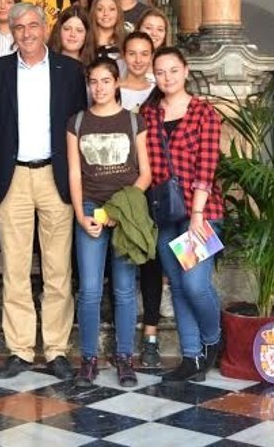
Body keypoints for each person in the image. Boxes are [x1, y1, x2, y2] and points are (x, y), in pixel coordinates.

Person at [0, 3, 88, 380]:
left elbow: (80, 129)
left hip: (55, 177)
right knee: (14, 268)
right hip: (11, 177)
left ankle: (57, 349)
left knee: (58, 269)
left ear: (45, 28)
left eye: (33, 25)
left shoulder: (70, 71)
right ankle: (20, 349)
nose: (27, 33)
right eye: (19, 27)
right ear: (11, 32)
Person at [68, 57, 152, 387]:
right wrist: (81, 214)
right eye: (94, 81)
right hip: (90, 207)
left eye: (106, 80)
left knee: (124, 289)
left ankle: (124, 357)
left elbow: (145, 174)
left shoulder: (133, 121)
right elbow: (75, 173)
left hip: (124, 211)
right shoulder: (77, 122)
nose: (99, 87)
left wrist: (120, 209)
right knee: (89, 289)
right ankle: (89, 358)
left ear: (117, 82)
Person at [142, 46, 225, 382]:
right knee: (176, 285)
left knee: (194, 284)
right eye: (160, 72)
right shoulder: (149, 114)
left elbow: (207, 166)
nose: (167, 78)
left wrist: (197, 214)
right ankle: (191, 357)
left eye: (173, 70)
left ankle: (213, 339)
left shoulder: (204, 113)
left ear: (186, 71)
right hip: (165, 212)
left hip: (200, 211)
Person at [118, 30, 164, 369]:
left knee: (151, 258)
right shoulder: (110, 88)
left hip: (153, 184)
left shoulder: (160, 91)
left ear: (152, 56)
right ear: (123, 55)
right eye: (132, 53)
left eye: (144, 53)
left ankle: (150, 333)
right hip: (117, 184)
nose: (138, 59)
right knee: (118, 256)